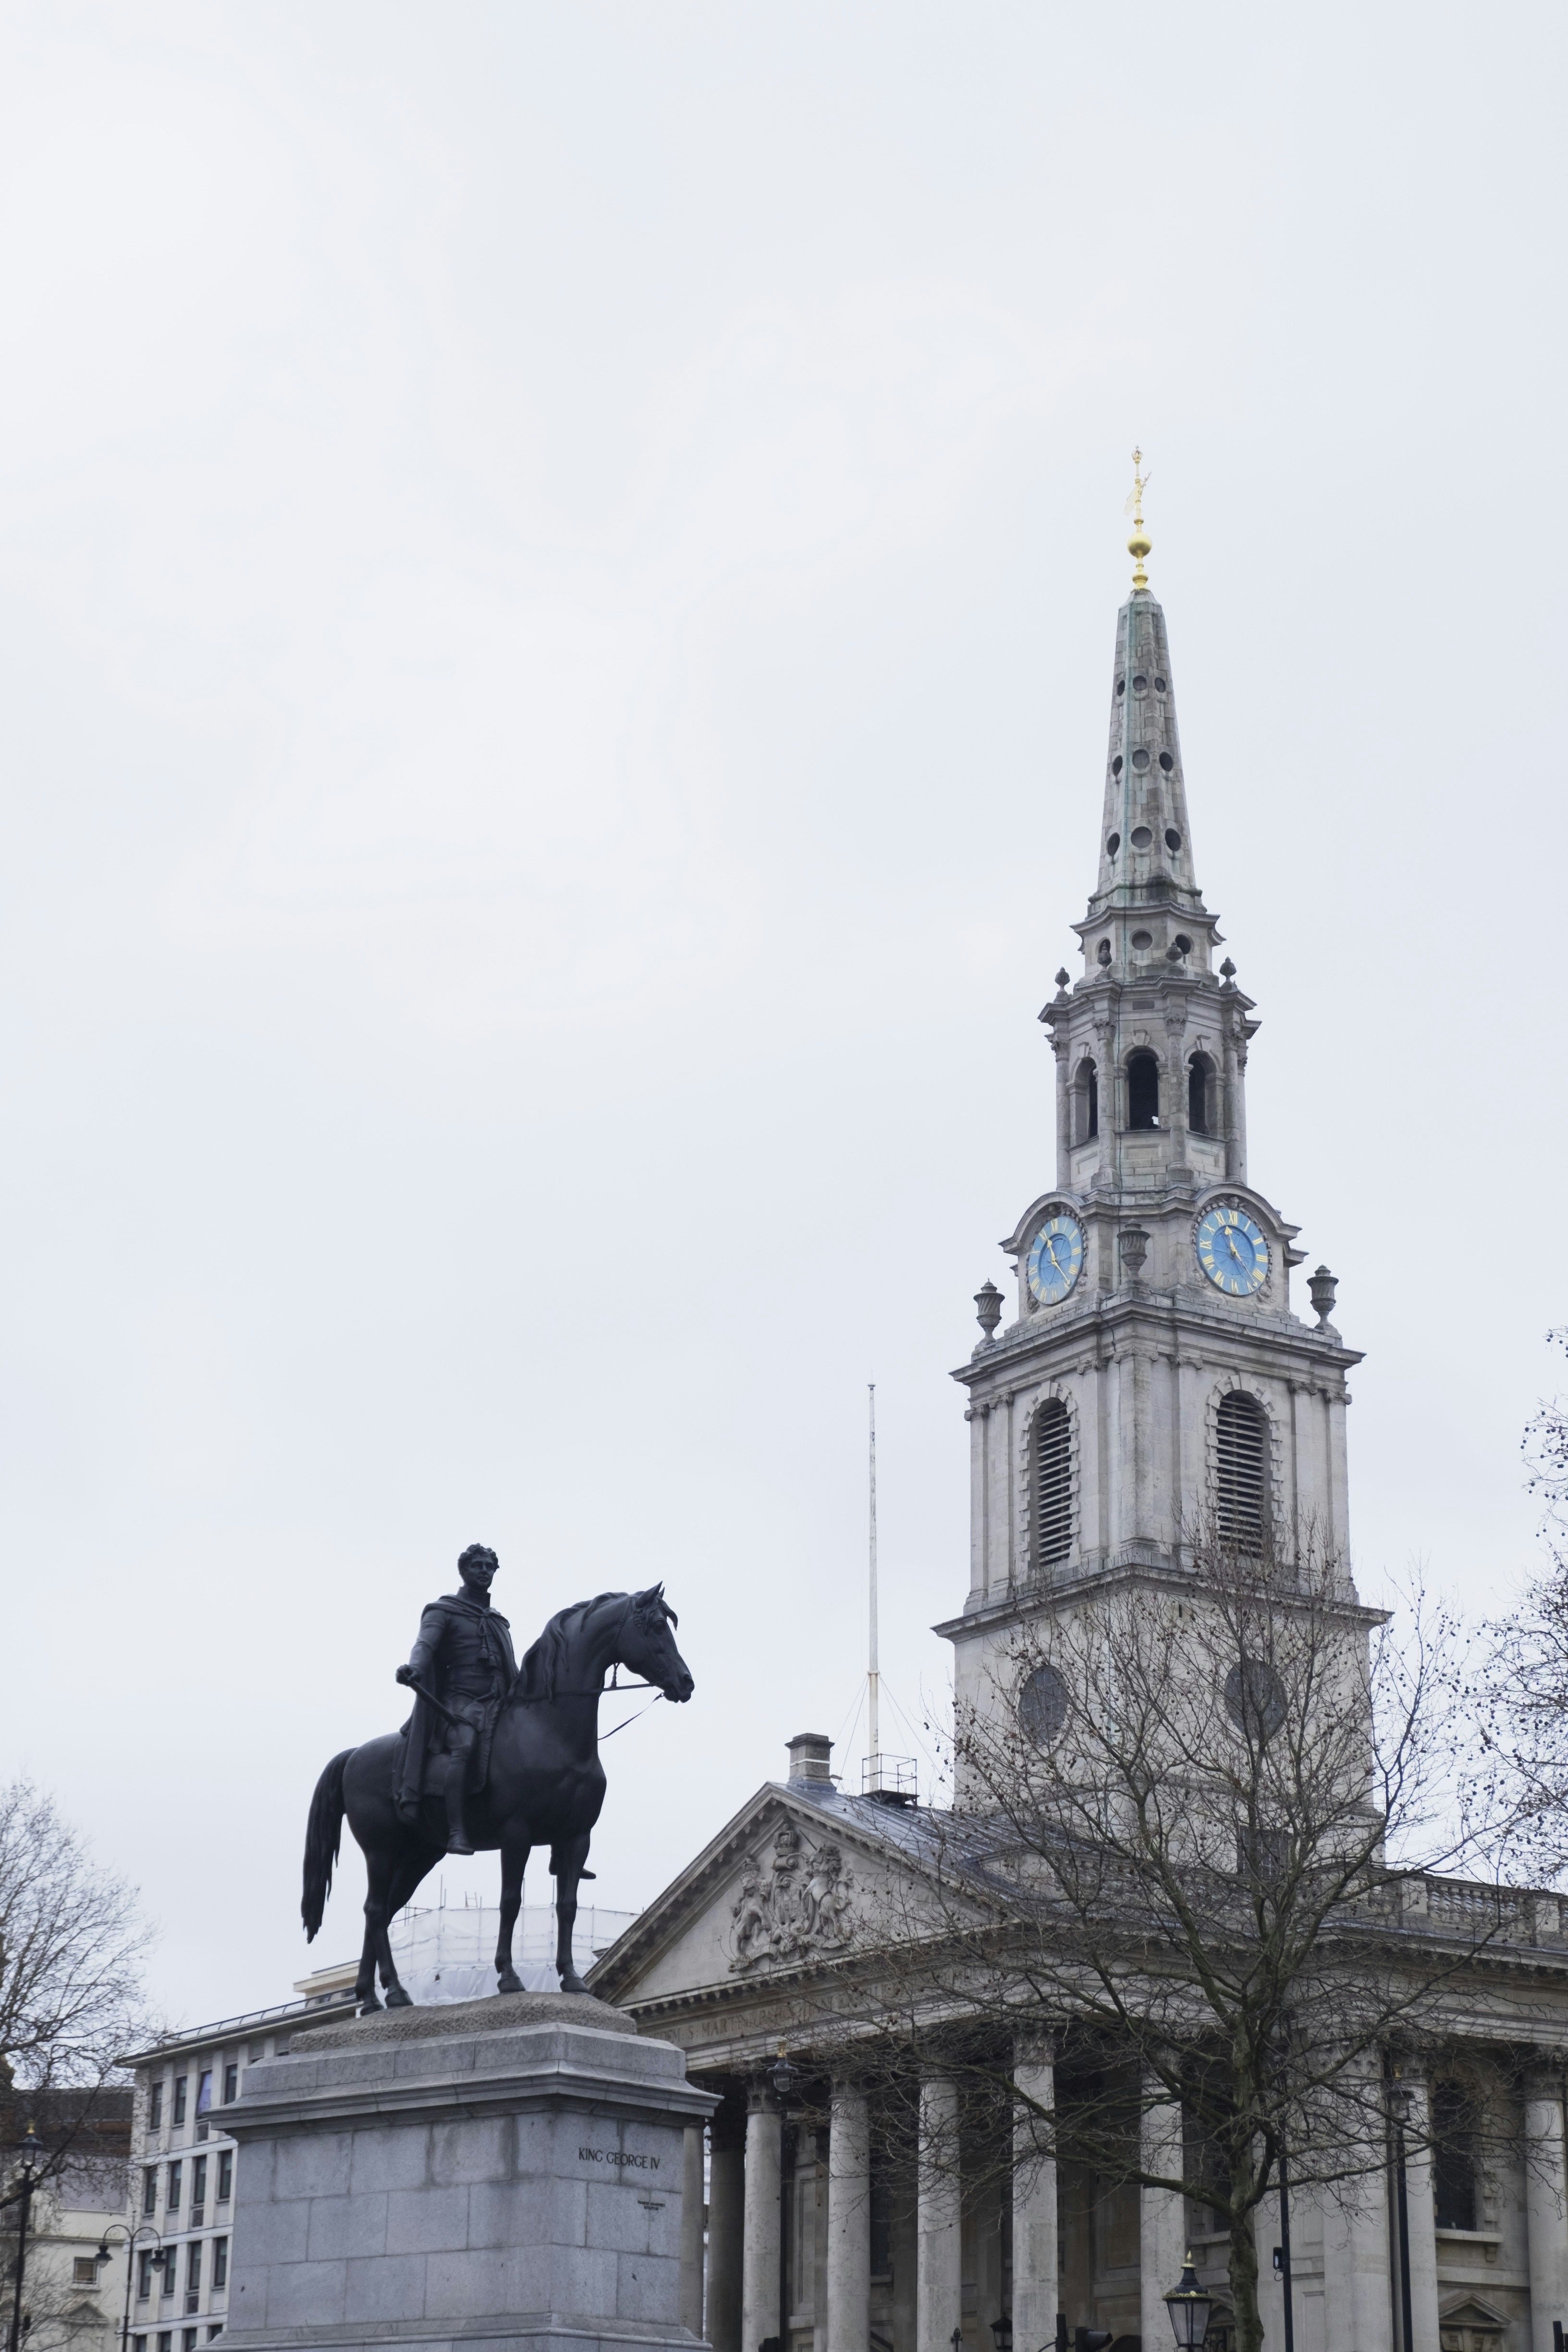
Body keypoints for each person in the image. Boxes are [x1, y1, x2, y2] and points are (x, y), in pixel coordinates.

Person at [394, 1543, 517, 1853]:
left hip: (499, 1703)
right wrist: (414, 1668)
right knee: (464, 1745)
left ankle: (562, 1834)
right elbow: (424, 1645)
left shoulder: (499, 1621)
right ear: (463, 1571)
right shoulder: (444, 1610)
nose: (484, 1571)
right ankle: (457, 1831)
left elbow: (511, 1667)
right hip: (459, 1701)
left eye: (489, 1567)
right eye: (477, 1565)